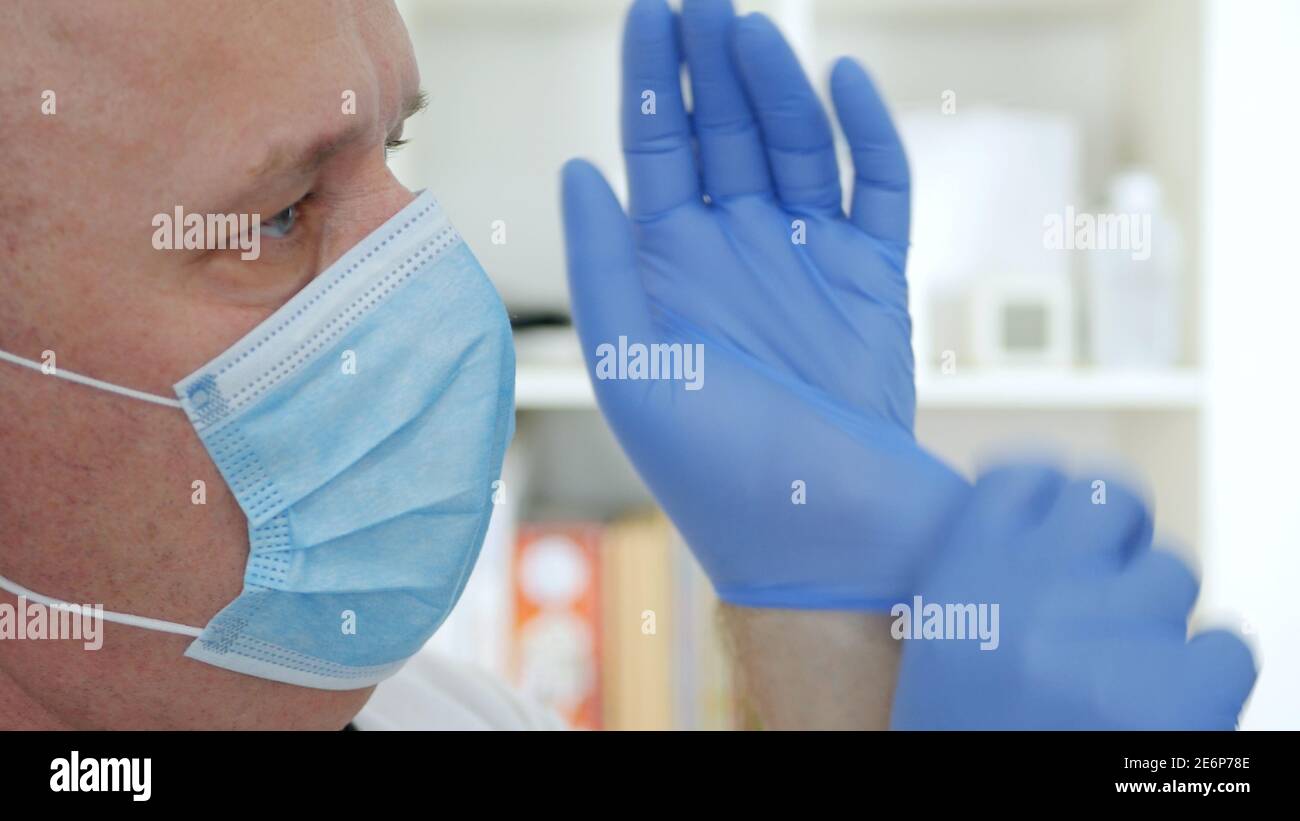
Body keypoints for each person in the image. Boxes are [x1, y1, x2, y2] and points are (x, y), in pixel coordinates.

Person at [0, 0, 1253, 731]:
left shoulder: (450, 714)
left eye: (395, 147)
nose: (445, 292)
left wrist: (823, 636)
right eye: (276, 216)